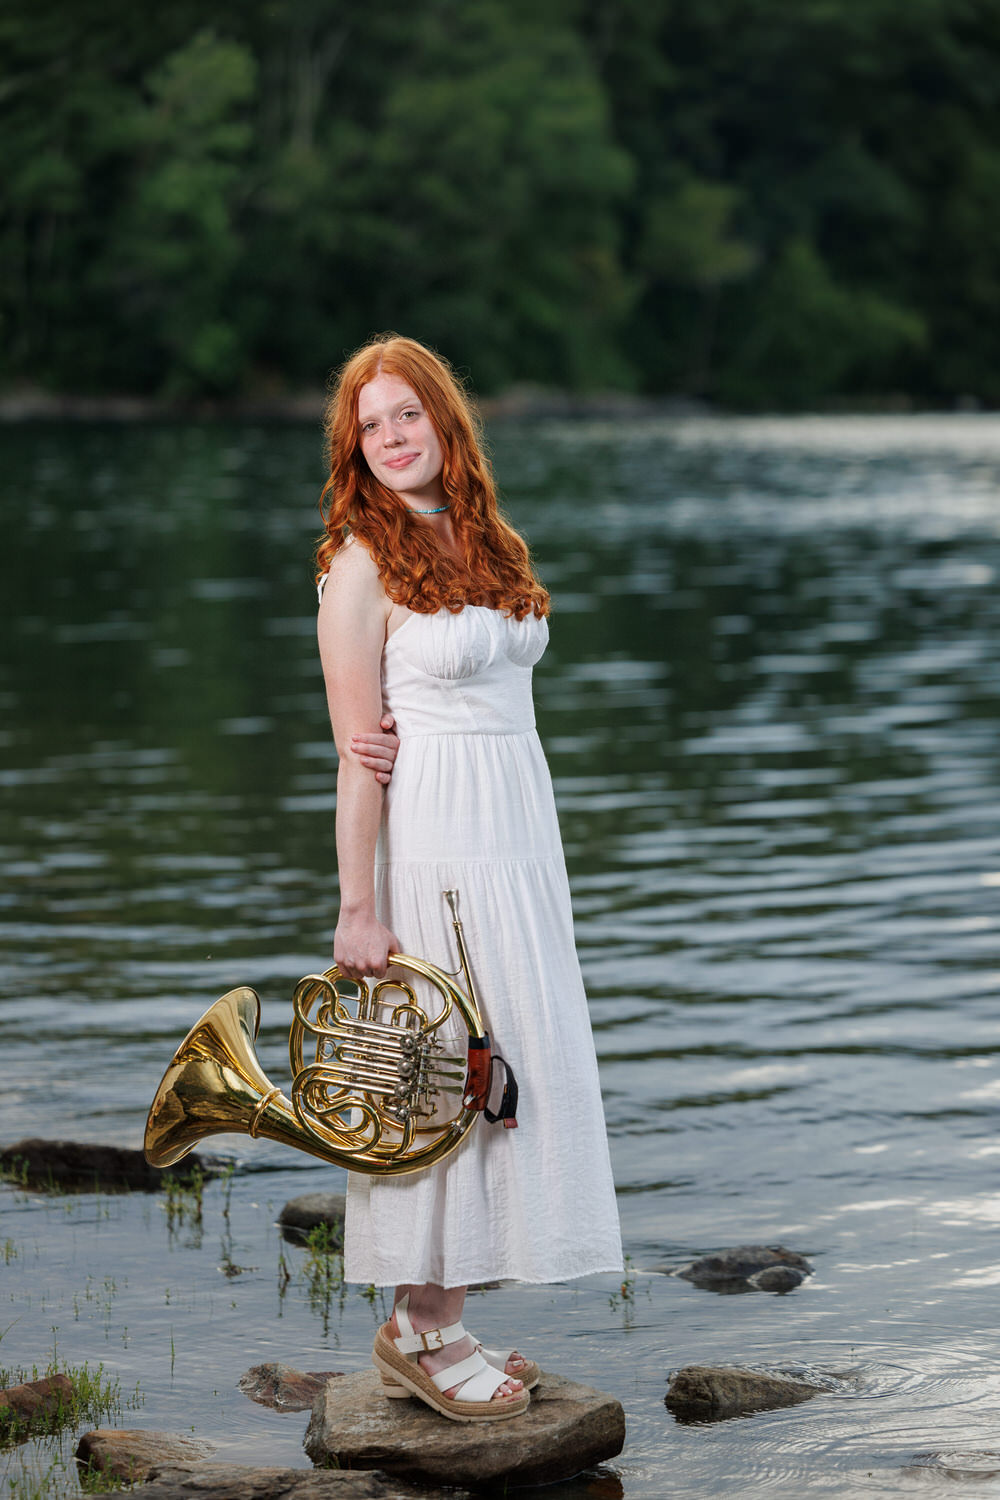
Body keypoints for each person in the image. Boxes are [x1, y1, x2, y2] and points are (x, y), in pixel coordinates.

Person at [315, 334, 622, 1423]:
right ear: (355, 447)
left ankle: (443, 1316)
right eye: (371, 425)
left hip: (520, 838)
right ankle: (418, 1329)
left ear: (445, 421)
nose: (392, 437)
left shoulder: (488, 537)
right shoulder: (360, 564)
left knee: (510, 1064)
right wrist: (358, 907)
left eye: (408, 413)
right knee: (448, 1077)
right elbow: (359, 755)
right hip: (440, 843)